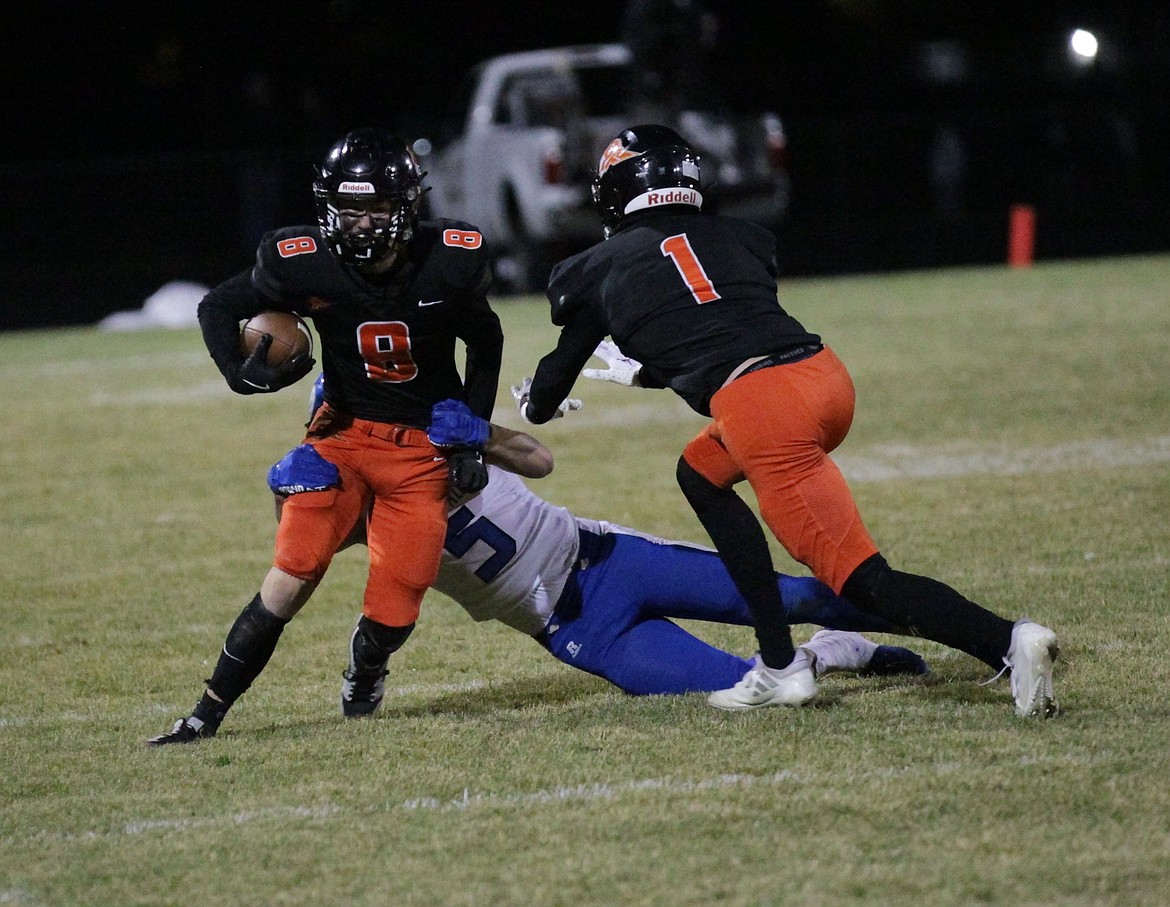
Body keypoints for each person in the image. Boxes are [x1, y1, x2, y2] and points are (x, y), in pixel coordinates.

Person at [516, 124, 1059, 717]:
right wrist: (649, 370)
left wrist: (535, 403)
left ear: (617, 190)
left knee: (863, 580)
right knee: (700, 473)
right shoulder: (739, 238)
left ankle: (1006, 641)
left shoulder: (597, 267)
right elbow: (718, 324)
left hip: (765, 409)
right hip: (822, 377)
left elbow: (550, 387)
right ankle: (779, 661)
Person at [147, 129, 504, 746]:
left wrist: (471, 439)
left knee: (396, 607)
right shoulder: (302, 260)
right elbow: (216, 307)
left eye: (379, 209)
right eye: (351, 210)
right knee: (293, 572)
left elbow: (487, 341)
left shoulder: (448, 259)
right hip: (341, 438)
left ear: (407, 207)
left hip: (421, 451)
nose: (364, 225)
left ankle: (366, 668)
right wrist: (238, 376)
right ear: (328, 207)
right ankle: (205, 714)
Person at [268, 390, 928, 714]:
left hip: (610, 557)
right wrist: (366, 666)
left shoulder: (442, 434)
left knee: (796, 594)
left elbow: (540, 459)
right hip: (580, 630)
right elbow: (315, 575)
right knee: (745, 689)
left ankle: (965, 629)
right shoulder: (342, 497)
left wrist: (482, 434)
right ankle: (837, 650)